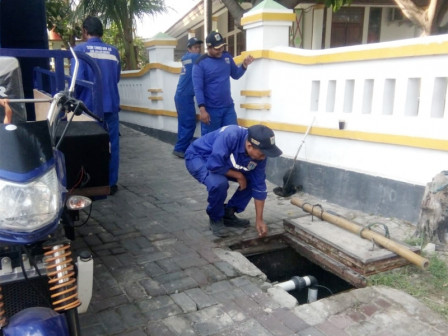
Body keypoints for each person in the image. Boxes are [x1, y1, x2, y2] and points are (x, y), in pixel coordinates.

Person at [185, 124, 282, 238]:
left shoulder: (260, 155)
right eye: (261, 154)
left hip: (222, 162)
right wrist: (239, 175)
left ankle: (228, 213)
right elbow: (214, 164)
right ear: (249, 146)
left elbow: (259, 186)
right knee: (219, 183)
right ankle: (215, 218)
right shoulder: (231, 135)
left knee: (253, 180)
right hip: (200, 157)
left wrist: (259, 220)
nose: (263, 158)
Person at [71, 16, 121, 195]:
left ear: (85, 31)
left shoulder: (80, 50)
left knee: (90, 145)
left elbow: (76, 82)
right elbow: (116, 78)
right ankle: (111, 183)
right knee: (112, 145)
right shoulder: (113, 51)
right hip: (111, 106)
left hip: (89, 108)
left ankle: (92, 183)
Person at [192, 31, 254, 136]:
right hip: (211, 111)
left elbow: (236, 75)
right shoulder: (200, 64)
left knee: (234, 136)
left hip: (228, 108)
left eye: (222, 47)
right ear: (209, 47)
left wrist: (244, 65)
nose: (220, 50)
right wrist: (202, 111)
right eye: (217, 48)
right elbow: (198, 89)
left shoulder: (227, 57)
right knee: (211, 141)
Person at [172, 37, 203, 159]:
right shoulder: (192, 58)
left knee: (183, 123)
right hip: (184, 97)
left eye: (199, 47)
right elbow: (208, 58)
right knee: (189, 123)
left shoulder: (187, 58)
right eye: (195, 47)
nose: (198, 50)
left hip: (182, 97)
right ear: (189, 49)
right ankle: (180, 148)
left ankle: (181, 147)